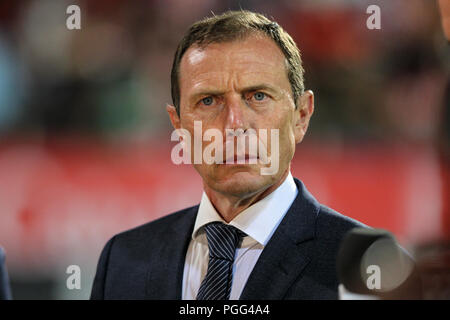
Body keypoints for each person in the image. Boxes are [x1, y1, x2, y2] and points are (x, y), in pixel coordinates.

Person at [90, 10, 366, 300]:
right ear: (179, 126)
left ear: (301, 116)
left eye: (258, 96)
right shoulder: (121, 262)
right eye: (208, 101)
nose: (234, 124)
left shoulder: (362, 267)